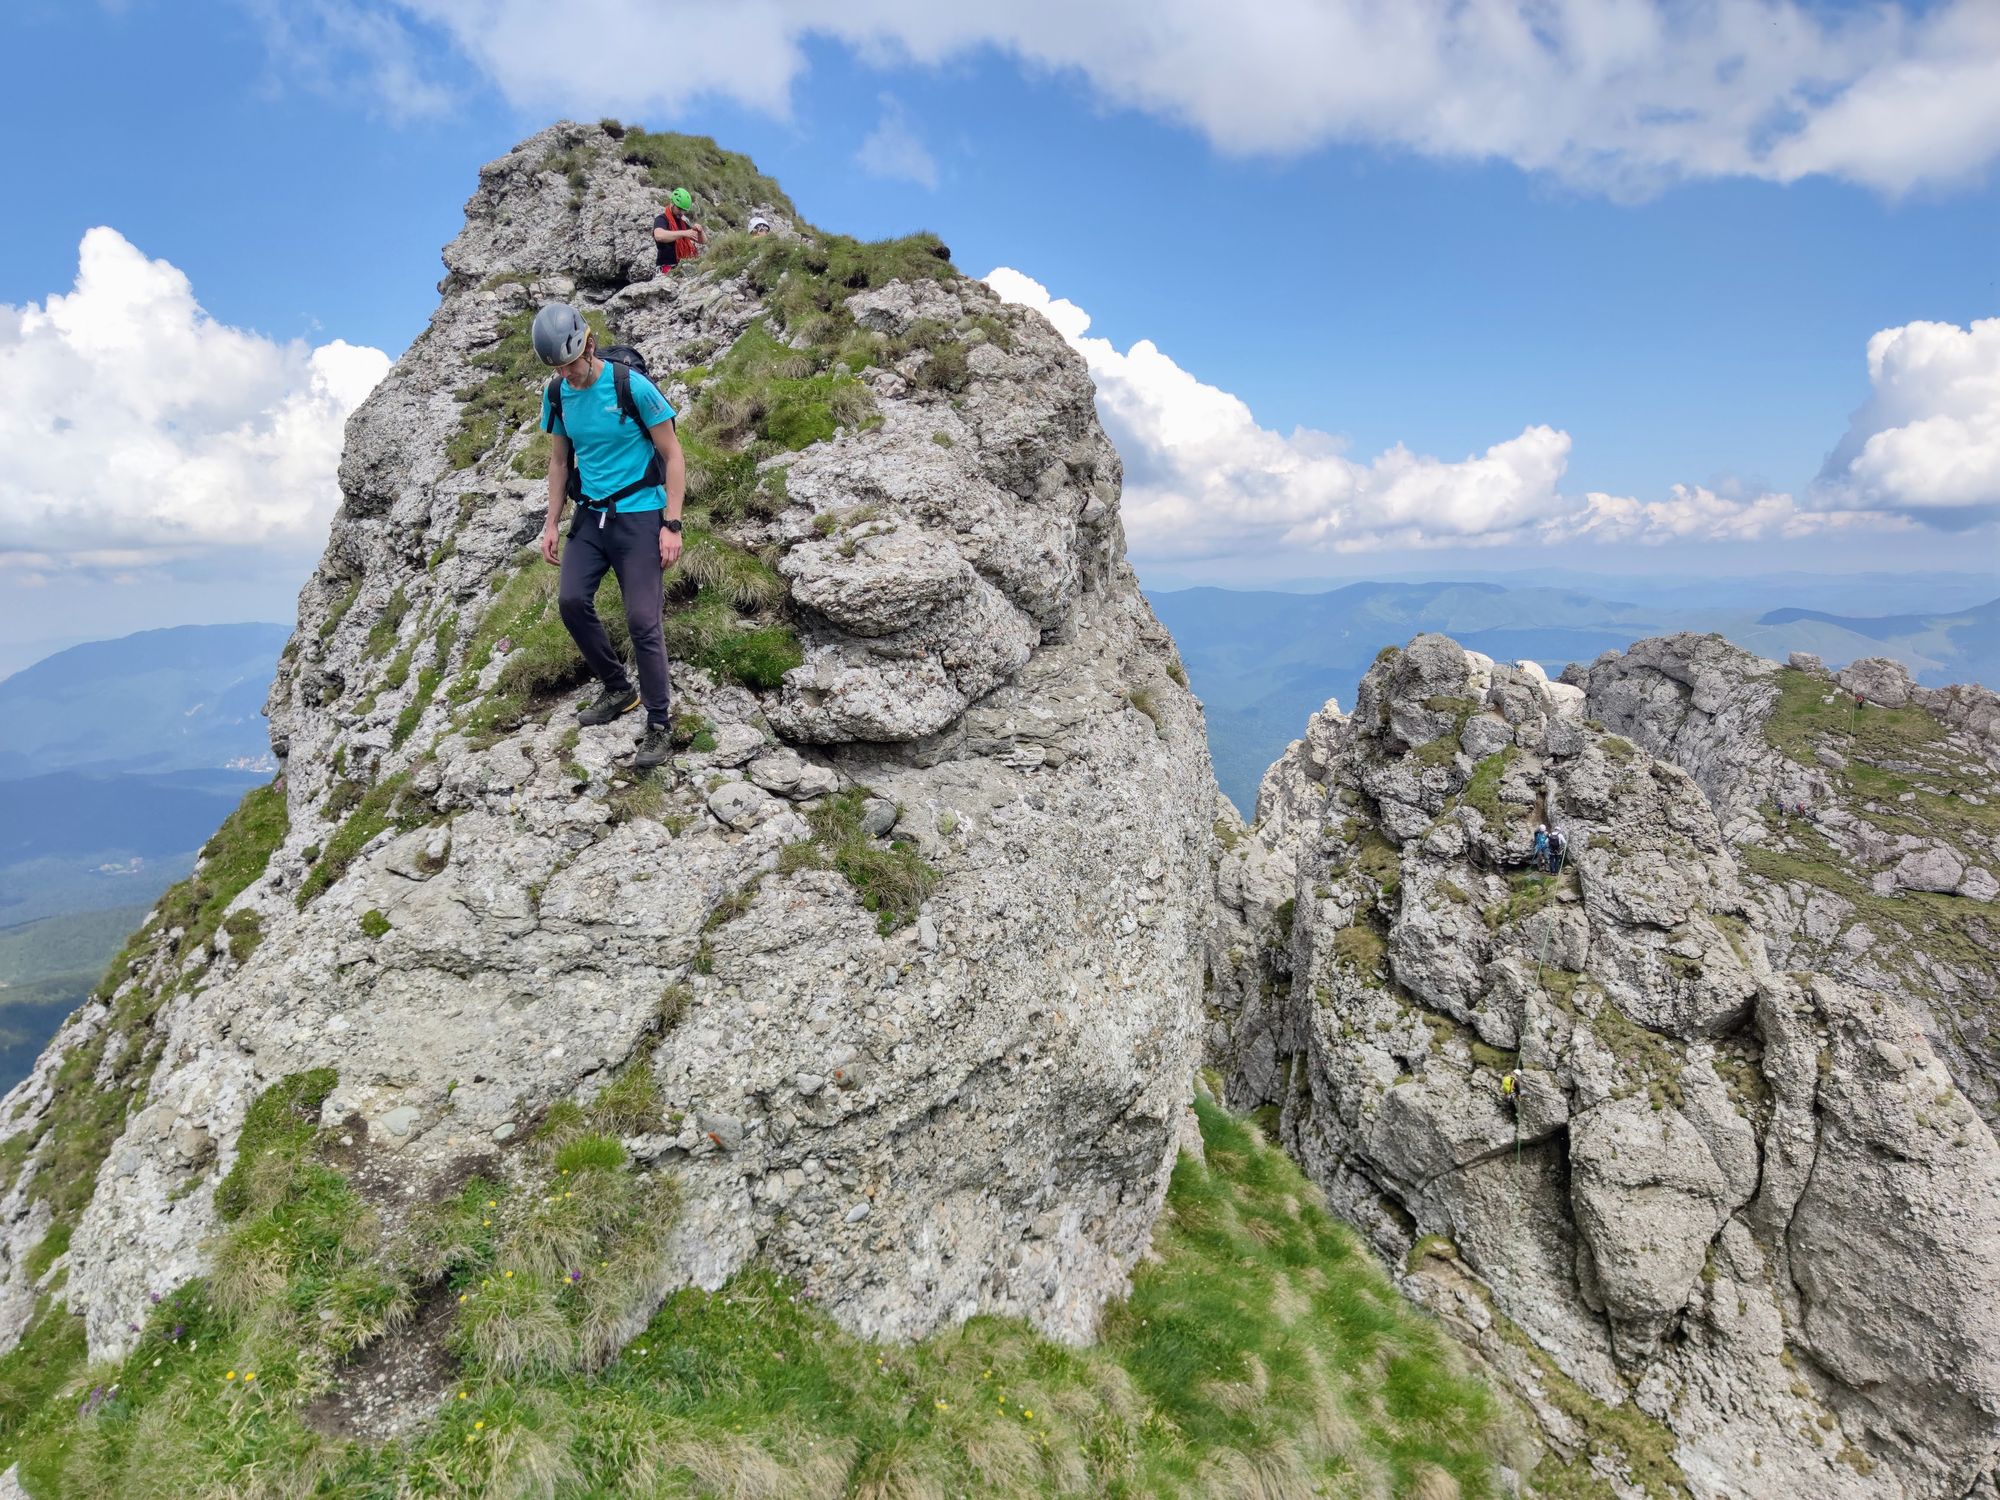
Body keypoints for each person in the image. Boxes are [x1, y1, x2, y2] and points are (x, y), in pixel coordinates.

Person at [531, 302, 685, 771]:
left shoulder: (630, 385)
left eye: (572, 364)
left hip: (639, 515)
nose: (569, 374)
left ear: (589, 344)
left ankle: (660, 724)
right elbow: (561, 462)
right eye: (559, 368)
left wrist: (671, 524)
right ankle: (618, 689)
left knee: (643, 621)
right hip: (591, 517)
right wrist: (551, 522)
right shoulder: (557, 394)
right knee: (572, 602)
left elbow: (673, 455)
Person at [654, 188, 704, 274]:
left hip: (680, 268)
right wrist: (684, 233)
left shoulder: (683, 223)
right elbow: (659, 236)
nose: (681, 213)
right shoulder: (662, 219)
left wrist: (700, 231)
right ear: (672, 203)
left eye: (684, 210)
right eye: (679, 209)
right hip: (665, 268)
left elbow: (702, 241)